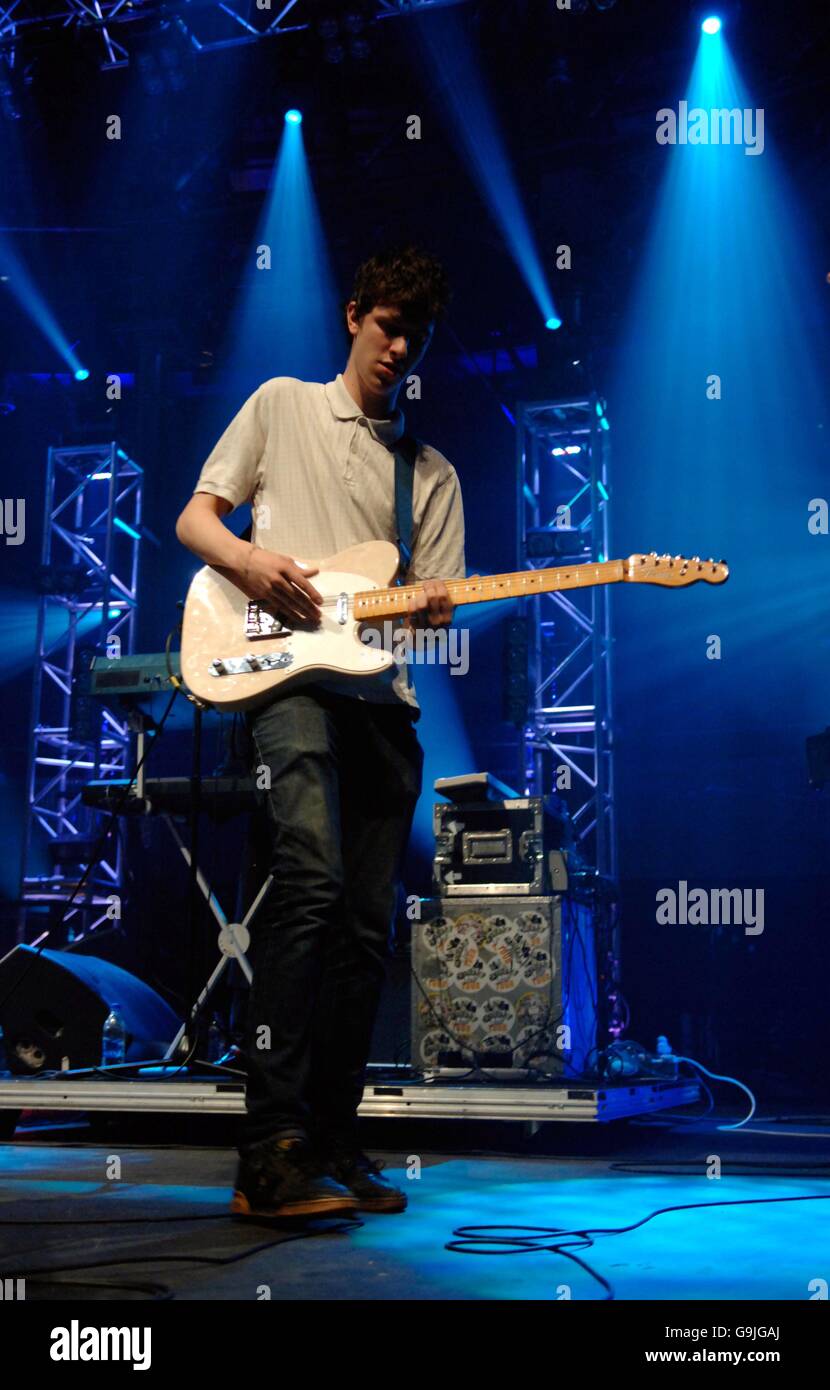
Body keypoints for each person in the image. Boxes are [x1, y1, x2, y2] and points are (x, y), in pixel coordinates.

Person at [175, 245, 466, 1218]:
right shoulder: (280, 405)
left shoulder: (428, 474)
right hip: (285, 683)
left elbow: (436, 604)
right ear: (352, 317)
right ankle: (269, 1152)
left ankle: (334, 1141)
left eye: (413, 339)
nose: (397, 350)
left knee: (363, 930)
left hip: (380, 700)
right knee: (307, 879)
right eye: (387, 328)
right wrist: (254, 567)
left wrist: (430, 608)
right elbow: (196, 519)